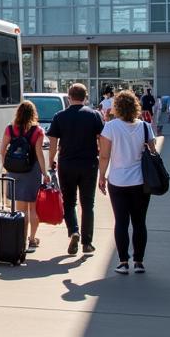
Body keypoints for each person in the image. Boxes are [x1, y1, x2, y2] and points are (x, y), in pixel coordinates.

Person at [98, 89, 157, 275]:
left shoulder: (111, 127)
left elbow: (104, 155)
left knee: (121, 222)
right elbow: (153, 152)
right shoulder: (145, 126)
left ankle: (123, 261)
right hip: (141, 181)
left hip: (118, 180)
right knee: (140, 222)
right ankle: (139, 261)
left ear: (117, 107)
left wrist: (101, 176)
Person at [47, 82, 103, 256]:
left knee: (69, 202)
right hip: (89, 164)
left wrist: (51, 161)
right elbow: (101, 139)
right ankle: (87, 243)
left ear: (69, 97)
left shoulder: (60, 116)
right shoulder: (94, 115)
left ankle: (74, 231)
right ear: (85, 97)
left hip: (67, 164)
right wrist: (102, 158)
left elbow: (54, 143)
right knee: (88, 204)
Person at [0, 99, 49, 252]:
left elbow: (2, 150)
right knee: (33, 208)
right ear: (33, 114)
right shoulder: (38, 131)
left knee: (20, 210)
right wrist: (45, 173)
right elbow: (39, 154)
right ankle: (32, 239)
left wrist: (7, 166)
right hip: (32, 171)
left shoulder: (10, 129)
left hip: (14, 171)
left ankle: (20, 241)